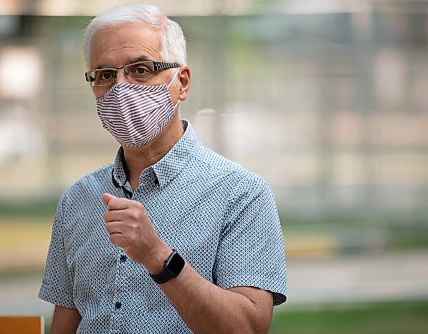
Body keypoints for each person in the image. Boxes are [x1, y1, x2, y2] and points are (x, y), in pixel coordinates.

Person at [38, 3, 287, 333]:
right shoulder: (78, 199)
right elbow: (66, 323)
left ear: (181, 82)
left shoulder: (240, 194)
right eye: (105, 75)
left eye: (140, 70)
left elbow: (249, 328)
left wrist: (158, 257)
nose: (121, 88)